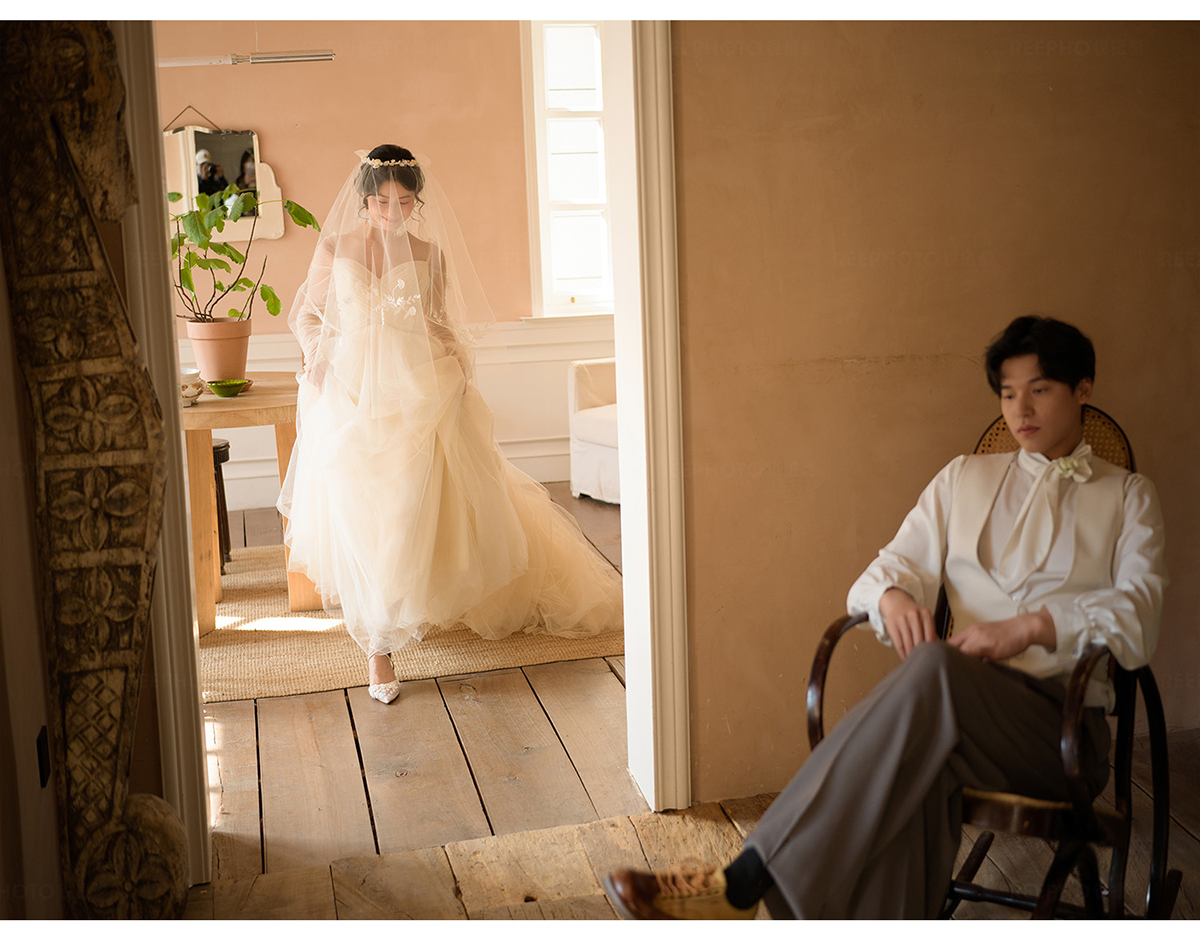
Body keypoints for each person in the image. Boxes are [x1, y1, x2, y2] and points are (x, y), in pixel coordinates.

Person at [603, 315, 1166, 919]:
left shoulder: (1128, 496)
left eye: (1040, 389)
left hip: (1060, 733)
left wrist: (1031, 627)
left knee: (934, 671)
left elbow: (1140, 615)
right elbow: (883, 572)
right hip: (950, 718)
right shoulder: (964, 478)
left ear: (1083, 388)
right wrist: (893, 598)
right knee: (920, 767)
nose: (1020, 409)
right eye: (1007, 393)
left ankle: (743, 883)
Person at [277, 145, 623, 705]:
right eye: (382, 201)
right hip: (352, 392)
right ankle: (381, 637)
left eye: (404, 202)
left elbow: (436, 321)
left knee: (408, 509)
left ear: (418, 201)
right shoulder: (335, 247)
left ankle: (387, 635)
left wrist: (458, 364)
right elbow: (307, 313)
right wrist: (316, 354)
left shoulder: (429, 253)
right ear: (365, 199)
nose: (393, 212)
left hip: (421, 389)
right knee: (364, 515)